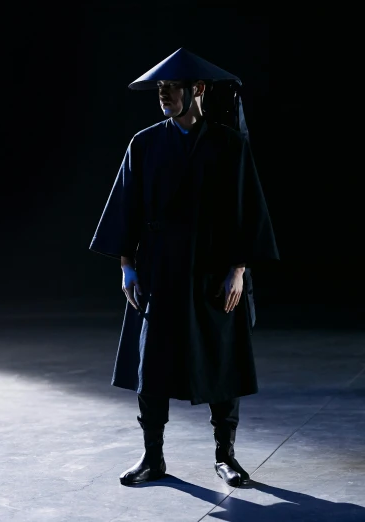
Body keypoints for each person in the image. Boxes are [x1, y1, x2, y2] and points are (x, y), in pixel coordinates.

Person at [88, 48, 279, 488]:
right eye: (160, 89)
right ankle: (152, 456)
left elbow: (247, 212)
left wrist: (239, 270)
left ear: (199, 90)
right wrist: (127, 267)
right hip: (160, 268)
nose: (164, 95)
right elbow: (127, 209)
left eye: (171, 88)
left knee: (221, 362)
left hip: (213, 269)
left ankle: (225, 455)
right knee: (151, 365)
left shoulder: (230, 144)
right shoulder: (146, 143)